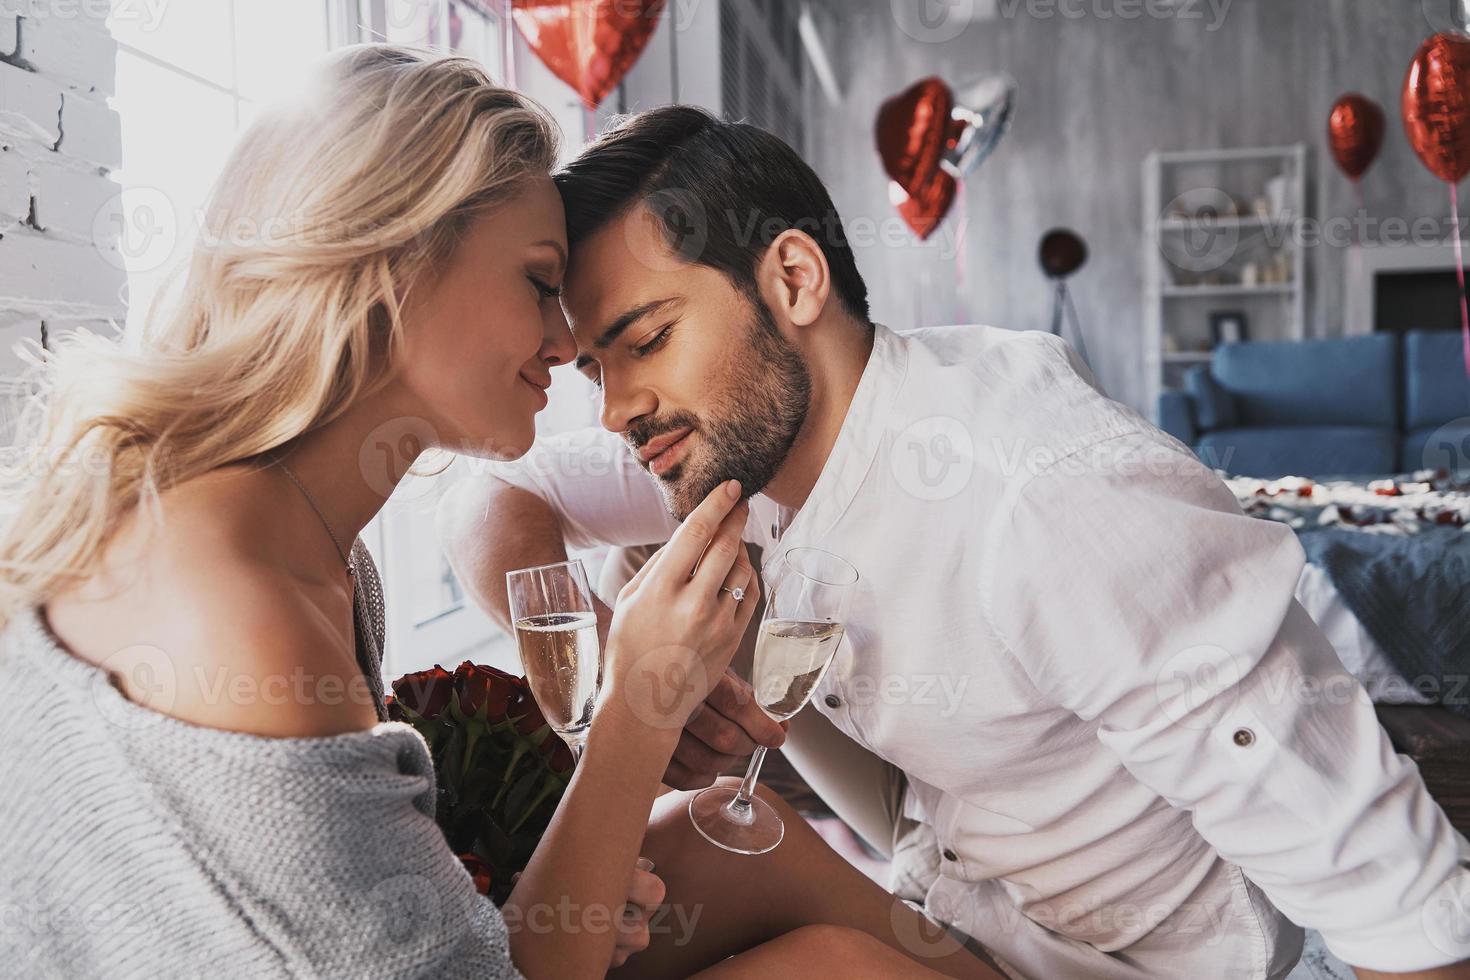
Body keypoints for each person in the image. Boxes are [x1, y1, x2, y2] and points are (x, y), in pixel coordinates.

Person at [0, 46, 999, 979]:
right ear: (392, 259)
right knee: (837, 964)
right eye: (539, 283)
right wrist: (641, 701)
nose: (565, 347)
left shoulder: (291, 536)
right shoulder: (242, 602)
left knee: (730, 844)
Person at [438, 103, 1470, 980]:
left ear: (794, 279)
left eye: (648, 341)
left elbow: (1403, 894)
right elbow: (498, 497)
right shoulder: (731, 436)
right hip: (959, 893)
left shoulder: (1047, 496)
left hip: (1109, 963)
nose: (618, 407)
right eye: (595, 371)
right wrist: (601, 655)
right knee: (655, 858)